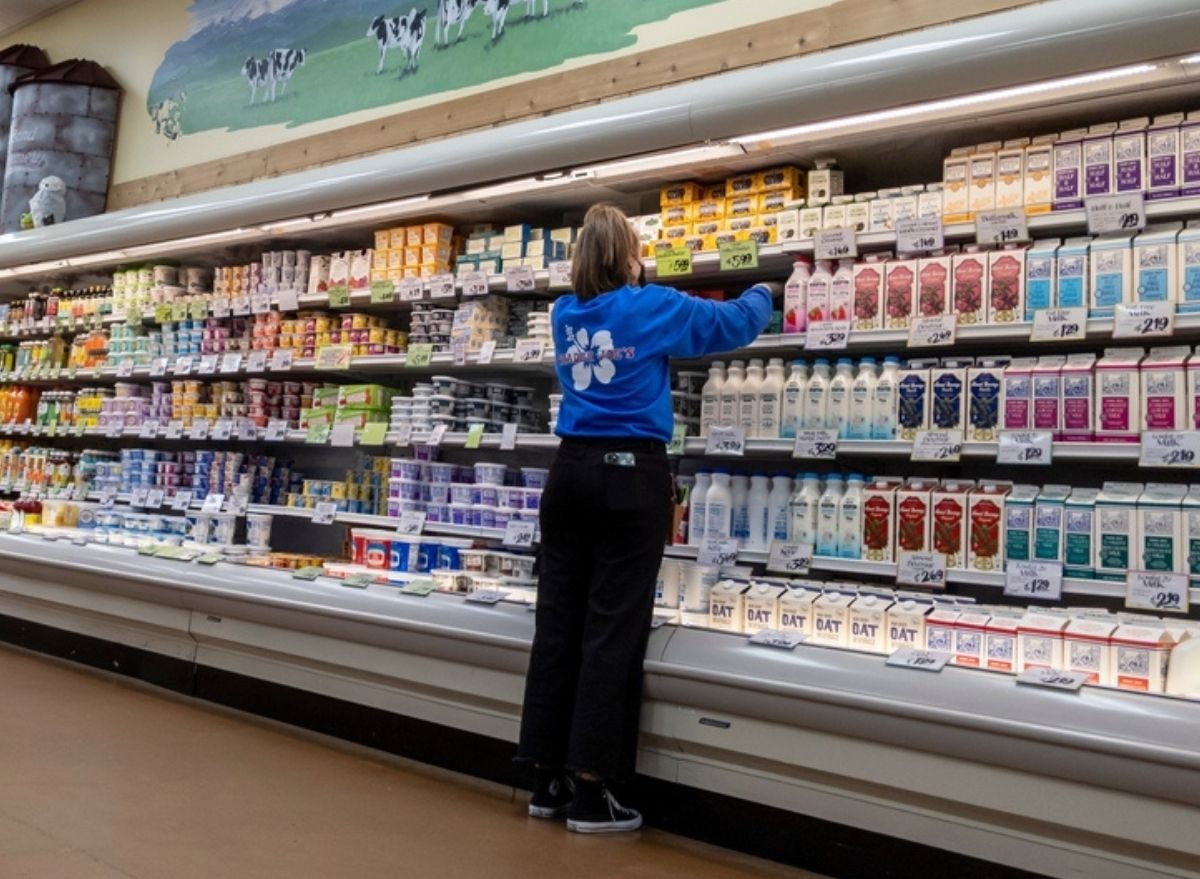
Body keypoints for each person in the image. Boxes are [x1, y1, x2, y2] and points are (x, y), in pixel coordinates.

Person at [516, 203, 776, 833]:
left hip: (570, 473)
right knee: (612, 629)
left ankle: (545, 780)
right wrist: (769, 285)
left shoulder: (562, 313)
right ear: (628, 257)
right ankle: (591, 789)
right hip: (630, 478)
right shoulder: (649, 304)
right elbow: (733, 324)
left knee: (559, 622)